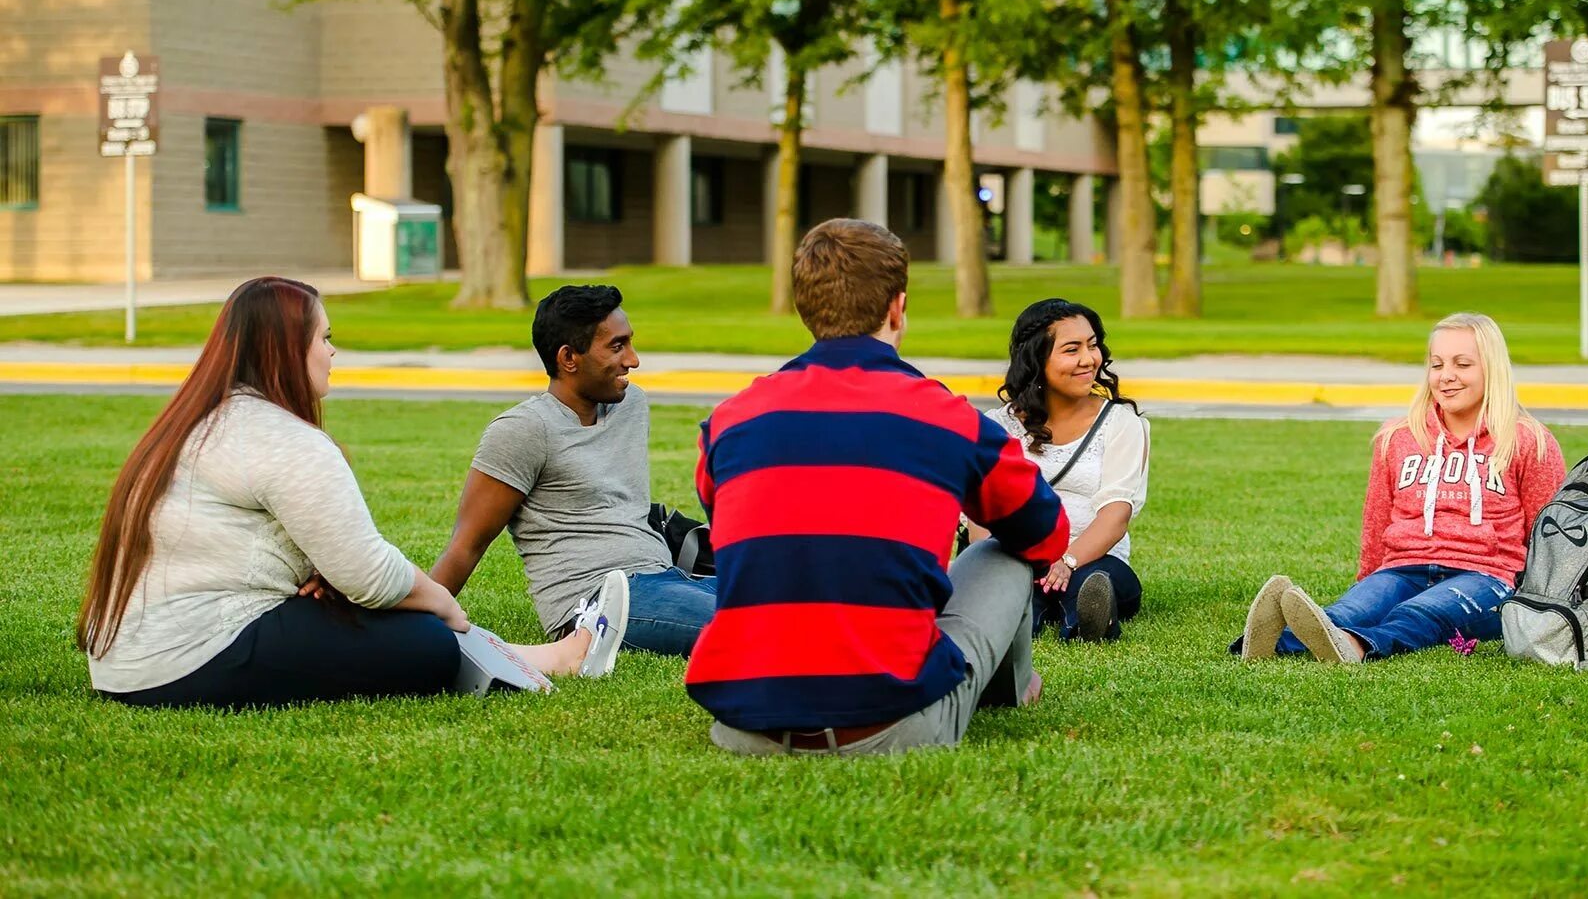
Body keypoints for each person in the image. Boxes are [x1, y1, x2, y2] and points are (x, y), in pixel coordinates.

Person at [79, 277, 627, 709]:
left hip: (124, 662)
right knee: (426, 643)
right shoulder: (283, 438)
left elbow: (330, 566)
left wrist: (328, 579)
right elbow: (370, 575)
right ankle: (554, 658)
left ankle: (548, 657)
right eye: (325, 337)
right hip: (184, 658)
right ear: (288, 349)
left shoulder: (198, 422)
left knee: (368, 610)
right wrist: (443, 604)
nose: (333, 352)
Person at [687, 219, 1071, 756]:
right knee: (1005, 553)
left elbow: (723, 514)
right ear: (897, 307)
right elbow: (1045, 534)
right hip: (892, 725)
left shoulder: (731, 420)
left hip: (744, 727)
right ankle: (1013, 690)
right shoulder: (944, 416)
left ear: (806, 308)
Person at [1237, 312, 1566, 664]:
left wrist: (1537, 604)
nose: (1446, 376)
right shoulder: (1398, 437)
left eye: (1462, 364)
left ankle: (1354, 647)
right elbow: (1376, 522)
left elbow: (1549, 535)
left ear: (1492, 369)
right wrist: (1367, 583)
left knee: (1422, 613)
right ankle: (1266, 642)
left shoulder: (1529, 440)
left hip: (1485, 577)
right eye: (1436, 365)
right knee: (1351, 609)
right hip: (1403, 566)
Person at [429, 284, 716, 656]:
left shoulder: (631, 405)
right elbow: (466, 545)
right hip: (597, 602)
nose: (633, 359)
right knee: (762, 627)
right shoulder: (523, 431)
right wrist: (416, 630)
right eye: (617, 346)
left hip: (665, 577)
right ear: (568, 358)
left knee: (790, 599)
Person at [972, 299, 1149, 643]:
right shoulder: (997, 427)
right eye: (1072, 349)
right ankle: (1024, 612)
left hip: (1093, 559)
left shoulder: (1122, 424)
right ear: (1037, 359)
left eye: (1093, 345)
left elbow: (1115, 516)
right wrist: (1000, 567)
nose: (1089, 359)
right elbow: (982, 515)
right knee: (1022, 589)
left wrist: (1066, 562)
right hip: (1019, 557)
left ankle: (1085, 622)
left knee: (1093, 582)